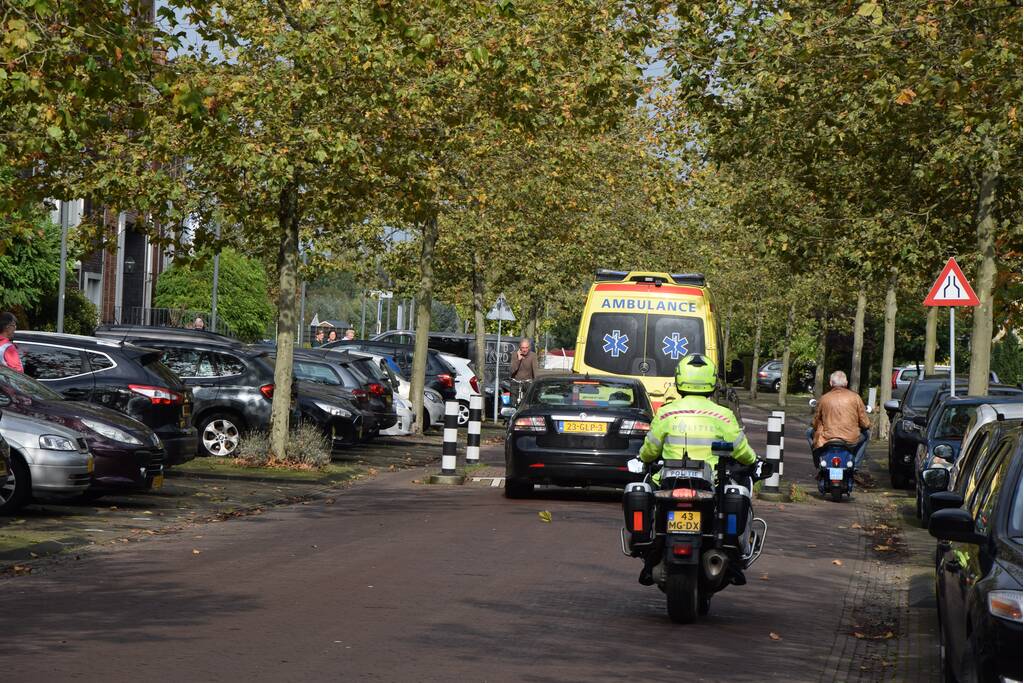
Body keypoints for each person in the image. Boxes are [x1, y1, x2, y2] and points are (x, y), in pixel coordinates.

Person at [631, 353, 758, 585]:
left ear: (679, 380)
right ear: (712, 382)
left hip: (669, 482)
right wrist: (753, 462)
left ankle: (650, 556)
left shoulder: (667, 413)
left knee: (649, 498)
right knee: (739, 494)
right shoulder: (723, 414)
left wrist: (644, 457)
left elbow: (649, 450)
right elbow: (741, 450)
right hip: (711, 484)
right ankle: (734, 553)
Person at [806, 370, 871, 468]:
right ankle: (855, 464)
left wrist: (814, 426)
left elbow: (816, 421)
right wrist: (865, 425)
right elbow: (865, 423)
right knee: (866, 434)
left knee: (808, 432)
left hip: (827, 438)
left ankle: (819, 461)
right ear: (846, 383)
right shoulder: (856, 398)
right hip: (850, 439)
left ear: (831, 383)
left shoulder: (824, 398)